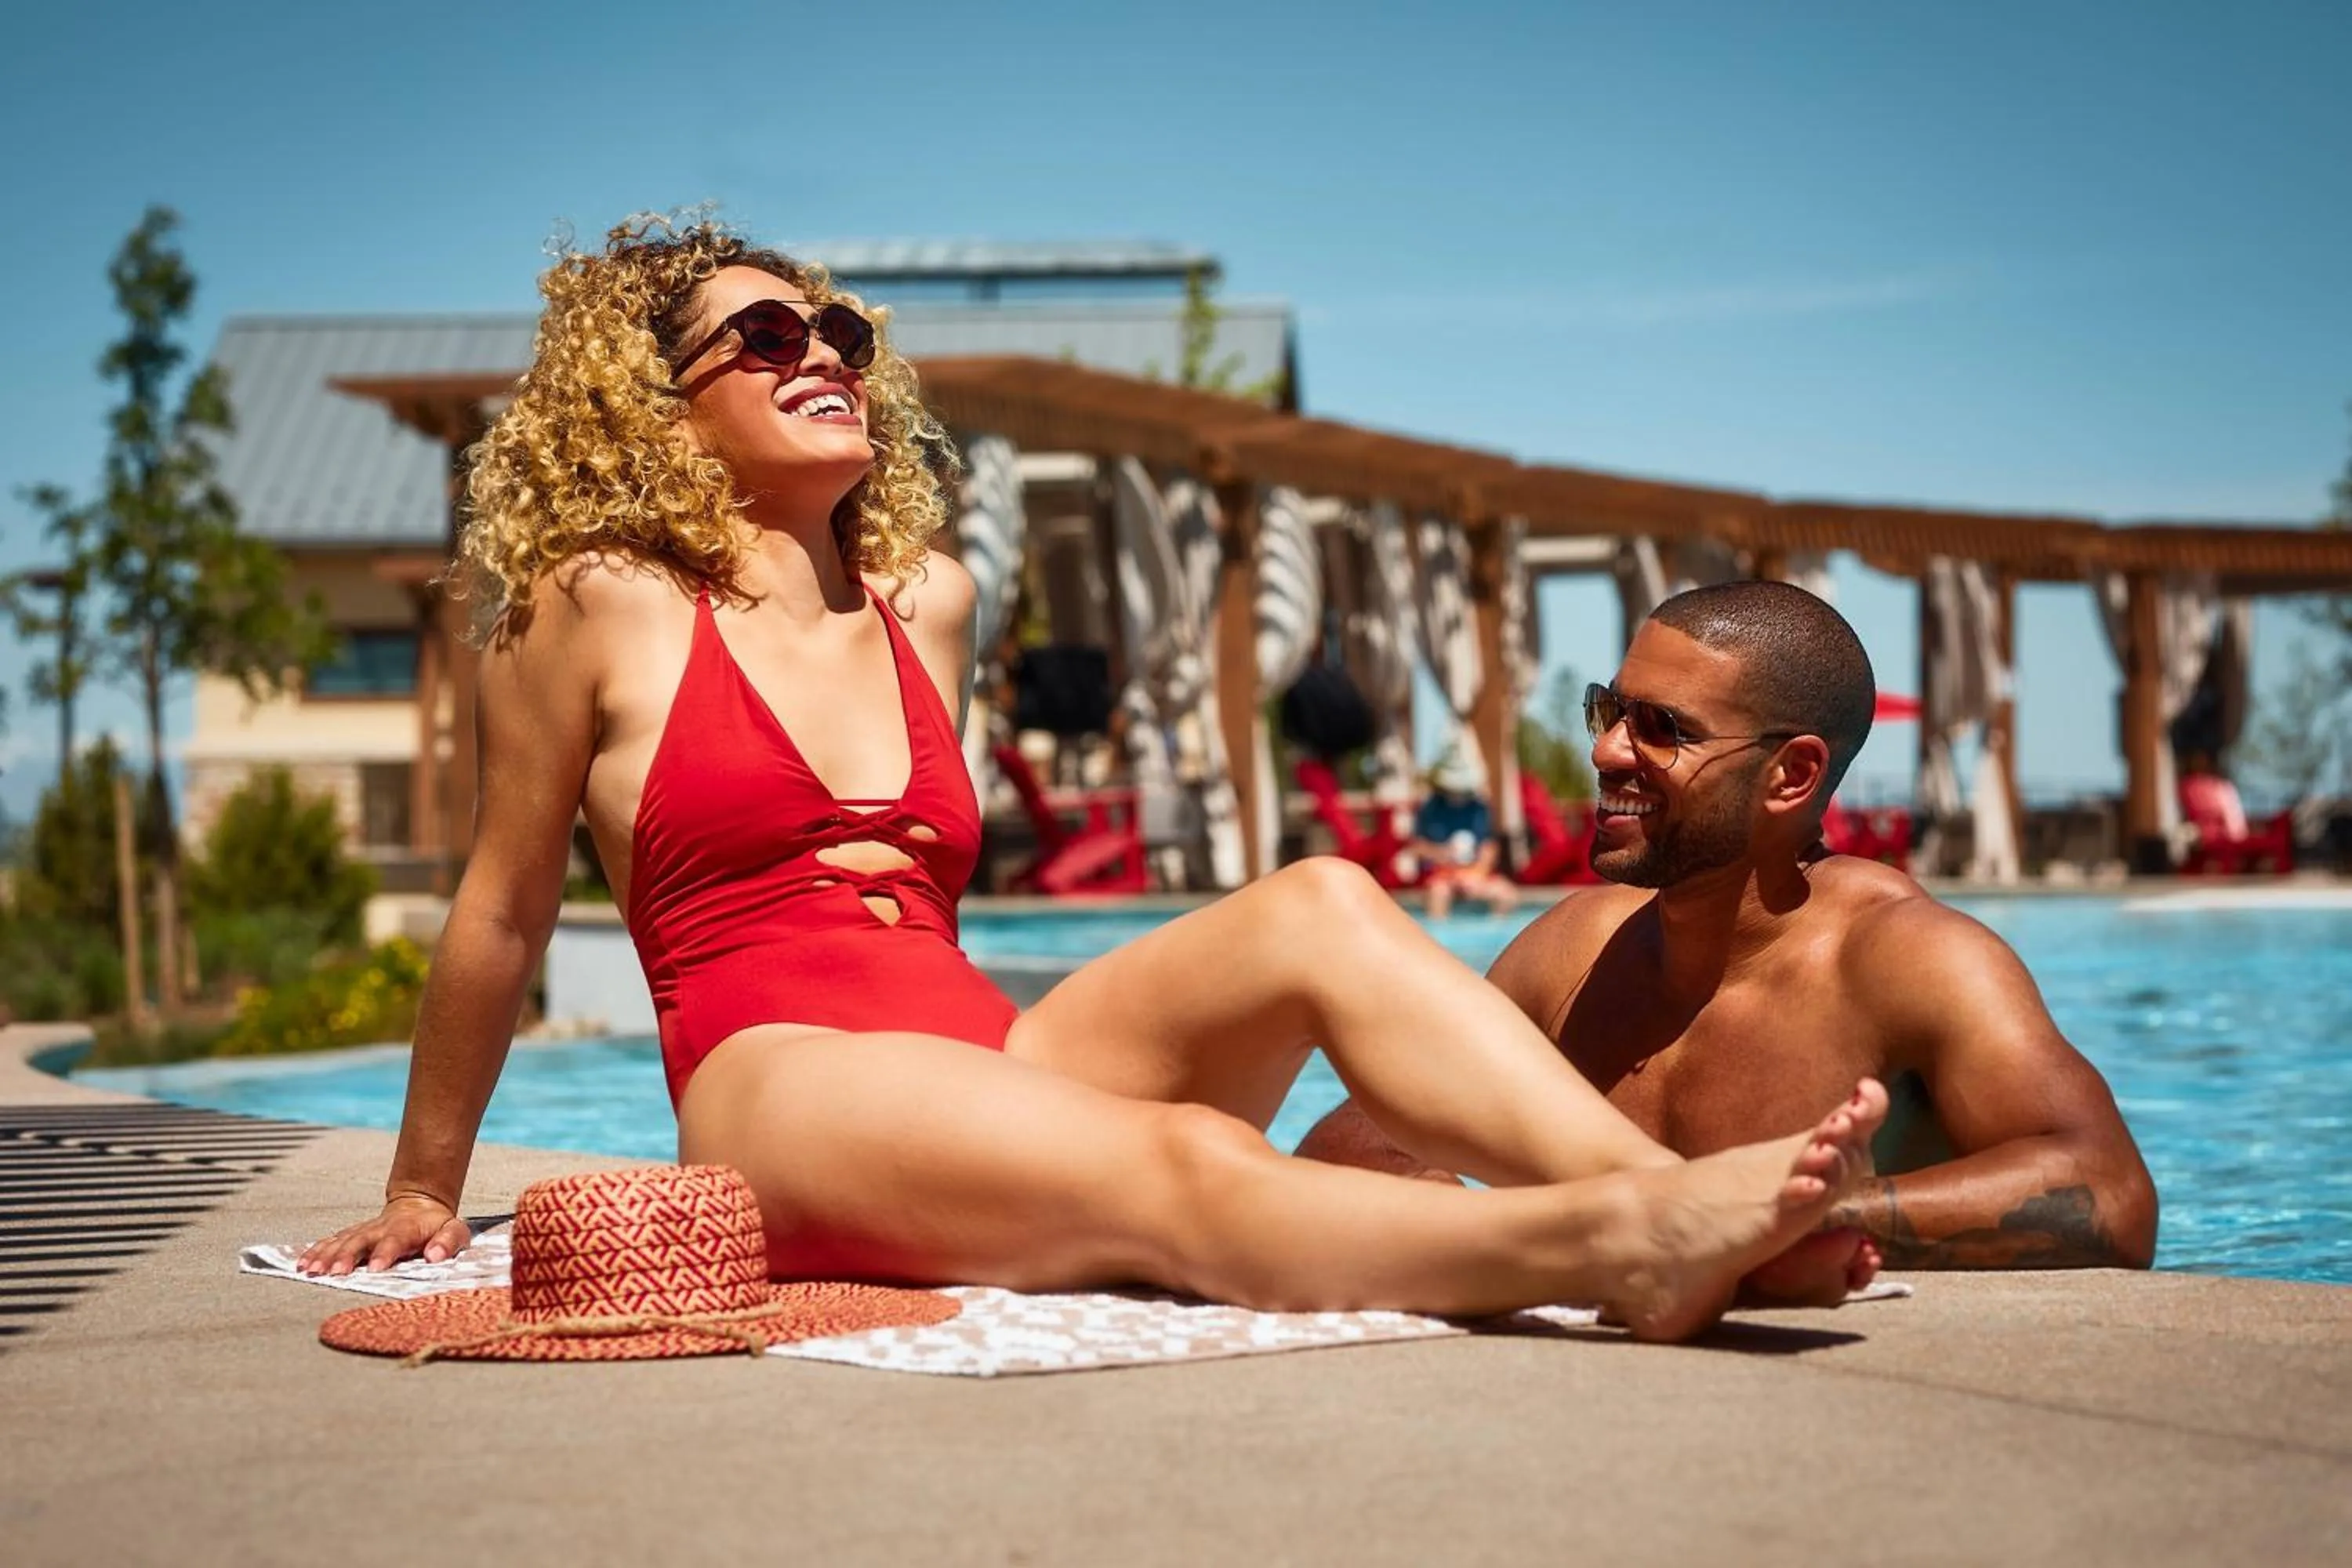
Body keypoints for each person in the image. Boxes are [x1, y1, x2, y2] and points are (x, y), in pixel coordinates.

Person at [298, 216, 1892, 1341]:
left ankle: (1687, 1217)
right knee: (1195, 1166)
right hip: (775, 1080)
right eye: (767, 336)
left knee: (1325, 901)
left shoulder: (930, 599)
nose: (823, 353)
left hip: (992, 1051)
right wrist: (426, 1181)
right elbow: (505, 910)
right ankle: (1609, 1245)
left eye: (840, 332)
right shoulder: (594, 600)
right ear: (664, 402)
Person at [1300, 582, 2159, 1272]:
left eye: (1662, 729)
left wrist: (1771, 1217)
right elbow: (1352, 1141)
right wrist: (1545, 1236)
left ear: (1791, 774)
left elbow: (2111, 1194)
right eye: (1611, 710)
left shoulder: (1907, 959)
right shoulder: (1573, 950)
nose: (1605, 753)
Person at [1406, 750, 1519, 919]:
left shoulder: (1480, 808)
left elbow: (1489, 847)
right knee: (1438, 894)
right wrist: (1442, 855)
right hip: (1441, 875)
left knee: (1507, 895)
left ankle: (1492, 939)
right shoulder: (1430, 808)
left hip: (1474, 874)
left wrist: (1476, 874)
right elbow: (1417, 847)